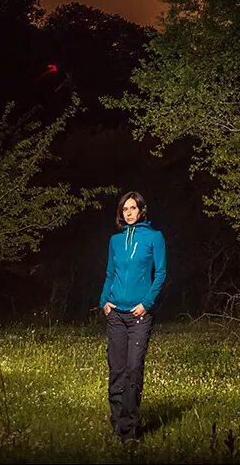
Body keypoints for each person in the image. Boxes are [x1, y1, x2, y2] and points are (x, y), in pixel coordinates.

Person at [100, 190, 167, 443]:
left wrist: (147, 303)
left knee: (133, 369)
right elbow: (109, 273)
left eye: (133, 208)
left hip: (139, 315)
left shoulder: (154, 237)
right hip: (115, 313)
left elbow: (160, 273)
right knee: (116, 370)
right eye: (124, 209)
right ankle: (118, 425)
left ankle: (129, 429)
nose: (128, 213)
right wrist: (104, 301)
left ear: (141, 210)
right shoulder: (115, 241)